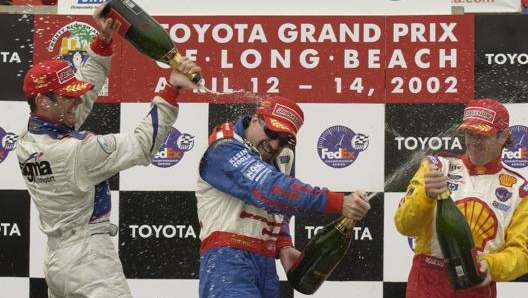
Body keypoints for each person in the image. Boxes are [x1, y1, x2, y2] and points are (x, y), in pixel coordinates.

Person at [16, 4, 202, 298]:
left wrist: (102, 41)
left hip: (57, 264)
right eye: (68, 97)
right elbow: (143, 145)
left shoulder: (28, 139)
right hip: (90, 264)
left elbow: (84, 96)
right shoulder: (75, 152)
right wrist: (171, 90)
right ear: (43, 101)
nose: (77, 102)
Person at [195, 96, 371, 298]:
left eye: (284, 140)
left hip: (266, 262)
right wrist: (338, 202)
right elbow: (269, 189)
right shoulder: (223, 147)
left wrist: (283, 245)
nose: (274, 144)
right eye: (271, 133)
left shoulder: (284, 155)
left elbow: (279, 207)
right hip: (226, 260)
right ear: (254, 120)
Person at [394, 98, 528, 298]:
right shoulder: (437, 167)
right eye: (469, 133)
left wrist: (492, 265)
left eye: (482, 135)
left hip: (478, 279)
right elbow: (405, 226)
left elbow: (522, 252)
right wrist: (426, 195)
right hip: (429, 279)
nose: (473, 142)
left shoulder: (519, 190)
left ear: (503, 136)